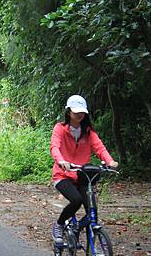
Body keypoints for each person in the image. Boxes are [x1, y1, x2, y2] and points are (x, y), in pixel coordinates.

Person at [50, 95, 118, 243]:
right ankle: (59, 224)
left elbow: (99, 147)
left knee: (92, 210)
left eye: (82, 112)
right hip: (63, 175)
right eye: (76, 112)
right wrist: (61, 160)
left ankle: (91, 249)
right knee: (76, 200)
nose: (79, 115)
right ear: (69, 112)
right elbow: (55, 147)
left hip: (82, 176)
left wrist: (110, 161)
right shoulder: (60, 129)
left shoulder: (88, 132)